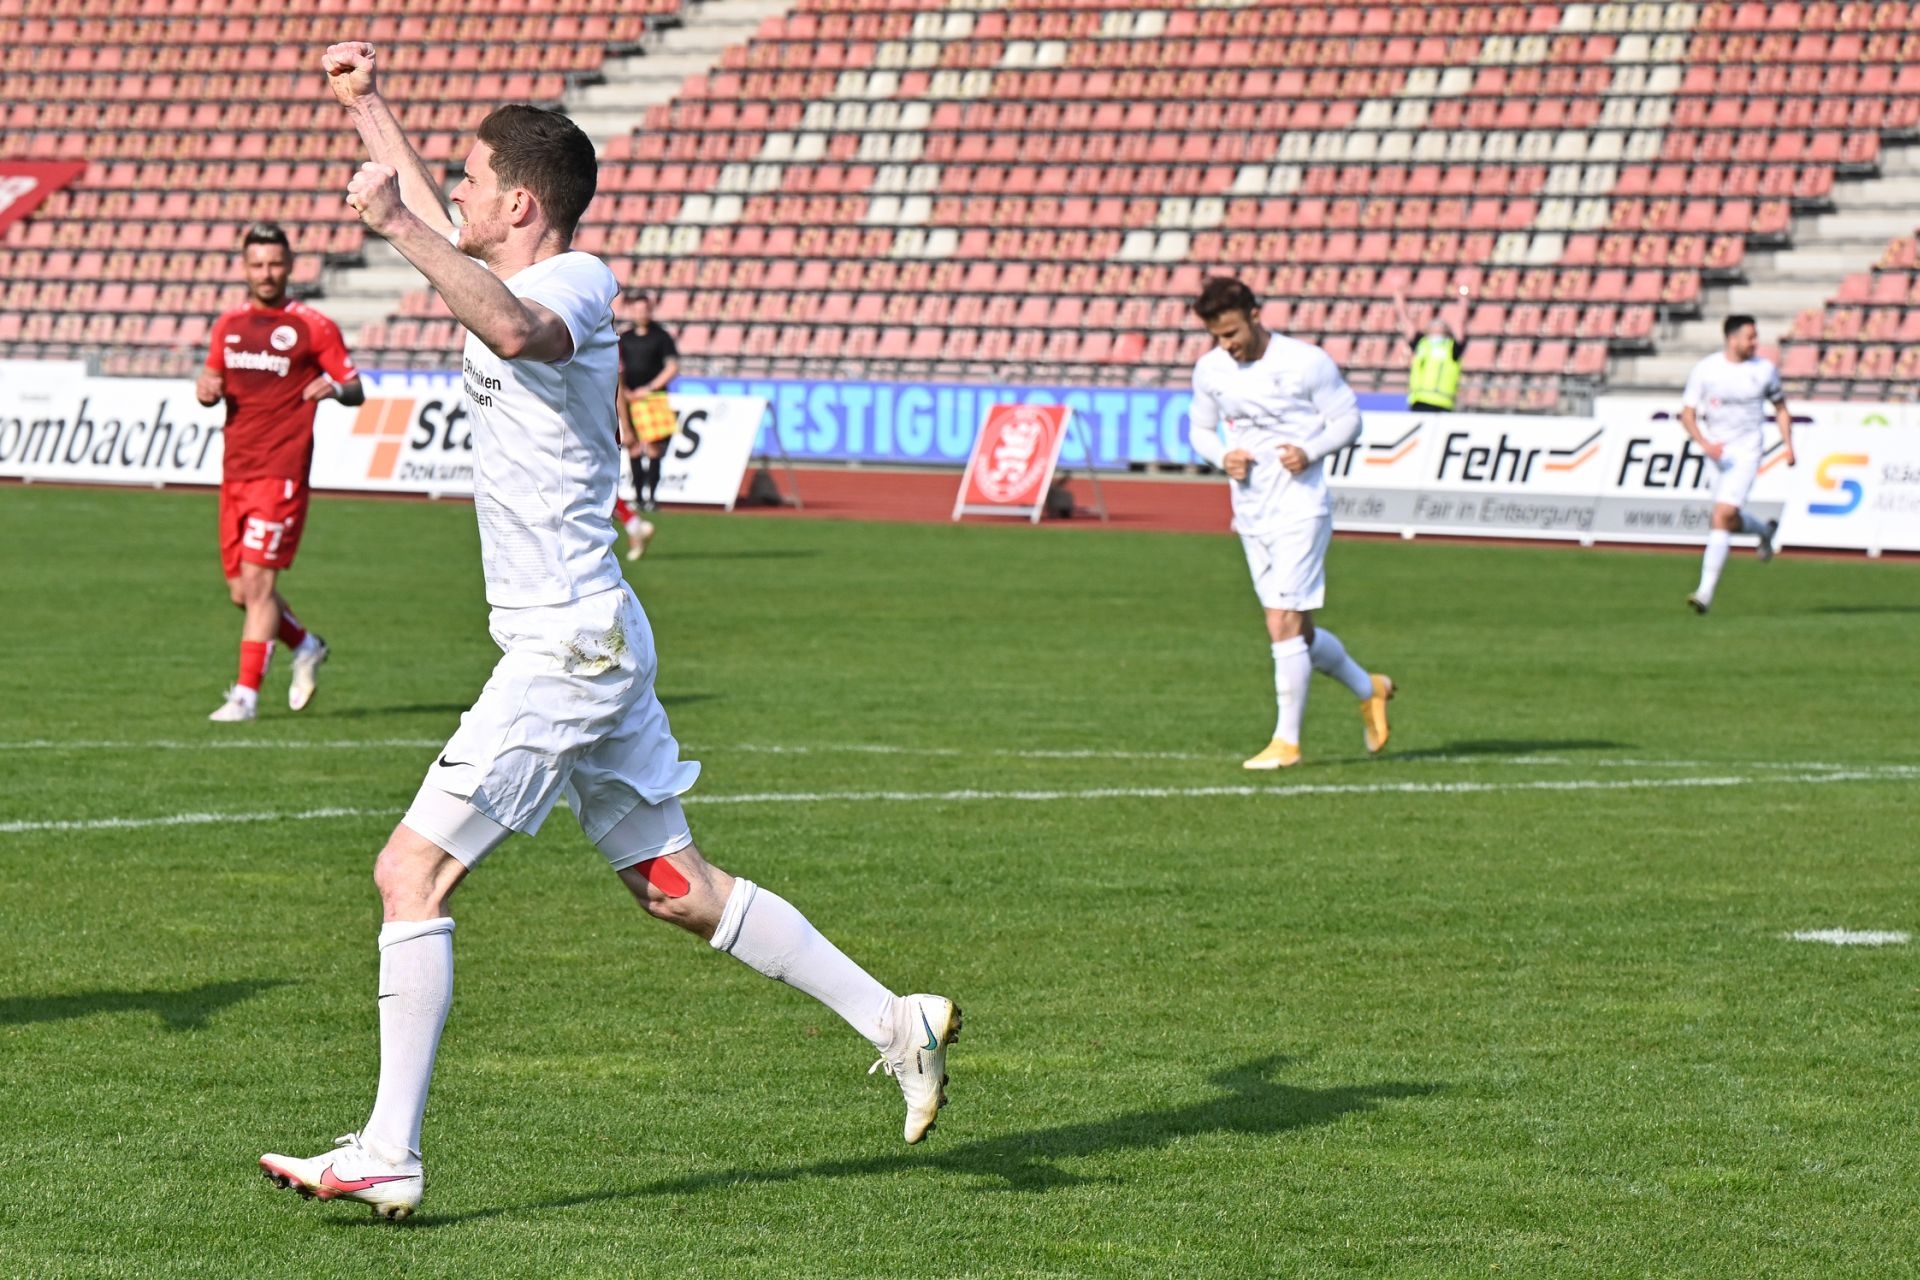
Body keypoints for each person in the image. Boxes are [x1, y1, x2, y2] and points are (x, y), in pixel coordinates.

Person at [258, 42, 959, 1221]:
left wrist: (397, 233)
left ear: (523, 205)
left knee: (407, 871)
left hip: (565, 645)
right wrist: (369, 107)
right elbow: (446, 234)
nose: (458, 197)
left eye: (476, 182)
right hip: (590, 636)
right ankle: (895, 1018)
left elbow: (517, 325)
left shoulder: (578, 281)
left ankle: (388, 1148)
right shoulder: (497, 256)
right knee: (676, 885)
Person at [1187, 277, 1395, 769]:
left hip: (1302, 508)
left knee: (1282, 620)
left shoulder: (1306, 362)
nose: (1228, 345)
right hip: (1252, 512)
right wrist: (1222, 456)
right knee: (1294, 633)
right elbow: (1198, 429)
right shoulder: (1211, 370)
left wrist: (1311, 451)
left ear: (1256, 315)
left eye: (1233, 332)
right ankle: (1371, 688)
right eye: (1218, 336)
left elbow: (1348, 421)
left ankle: (1287, 742)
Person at [195, 222, 364, 722]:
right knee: (242, 593)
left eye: (275, 264)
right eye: (257, 264)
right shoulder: (228, 326)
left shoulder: (313, 326)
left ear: (290, 266)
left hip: (282, 472)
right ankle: (306, 645)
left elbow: (355, 388)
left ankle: (244, 697)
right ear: (244, 268)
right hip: (236, 471)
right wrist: (205, 390)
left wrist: (333, 389)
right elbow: (212, 382)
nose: (267, 273)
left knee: (260, 586)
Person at [1678, 314, 1795, 614]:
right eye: (1750, 337)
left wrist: (1788, 446)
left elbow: (1781, 409)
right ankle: (1764, 531)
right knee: (1727, 519)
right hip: (1715, 455)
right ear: (1732, 339)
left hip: (1747, 452)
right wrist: (1706, 444)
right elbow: (1687, 414)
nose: (1755, 343)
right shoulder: (1707, 370)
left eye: (1756, 337)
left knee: (1723, 514)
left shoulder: (1764, 371)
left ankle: (1705, 593)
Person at [611, 290, 679, 558]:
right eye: (636, 309)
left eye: (644, 308)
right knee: (634, 449)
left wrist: (649, 387)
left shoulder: (661, 337)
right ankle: (637, 502)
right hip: (627, 397)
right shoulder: (624, 339)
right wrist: (625, 394)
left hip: (651, 398)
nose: (641, 313)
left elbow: (673, 366)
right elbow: (621, 373)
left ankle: (649, 499)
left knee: (653, 448)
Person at [1392, 283, 1471, 413]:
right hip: (1419, 402)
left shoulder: (1452, 347)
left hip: (1443, 404)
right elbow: (1405, 321)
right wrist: (1399, 297)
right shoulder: (1422, 344)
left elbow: (1460, 322)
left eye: (1442, 324)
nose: (1437, 323)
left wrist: (1463, 297)